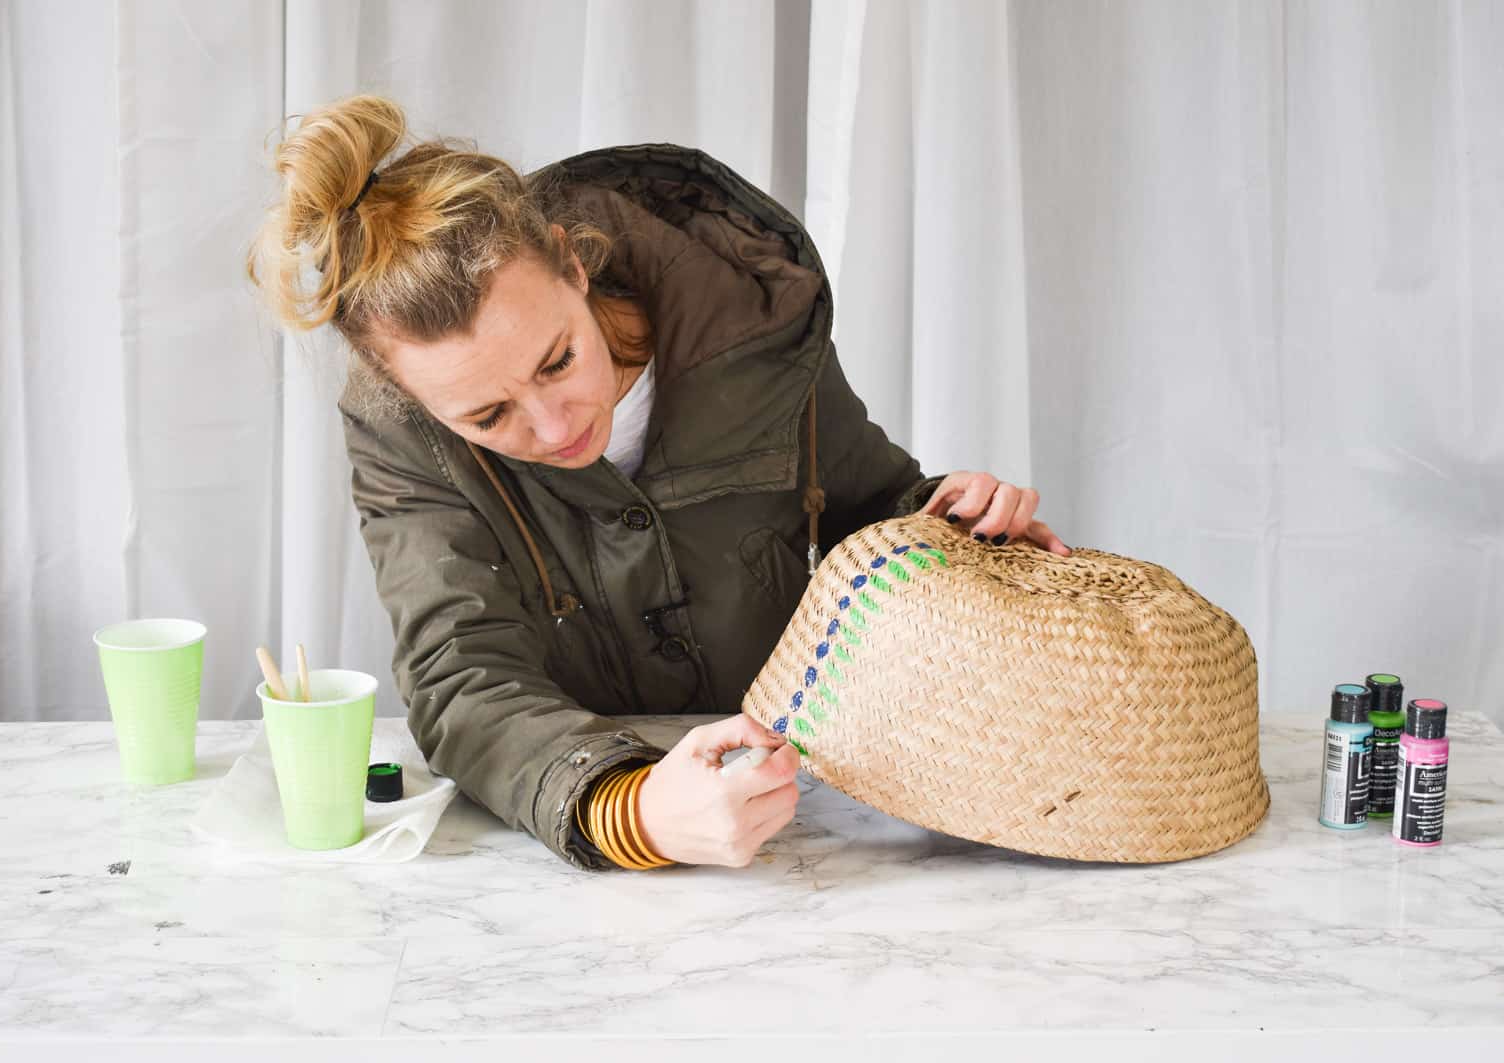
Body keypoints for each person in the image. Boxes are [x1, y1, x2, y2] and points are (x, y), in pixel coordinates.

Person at [246, 94, 1071, 872]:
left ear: (573, 265)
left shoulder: (753, 324)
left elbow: (868, 508)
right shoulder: (399, 428)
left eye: (559, 359)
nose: (557, 425)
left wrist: (958, 526)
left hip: (825, 811)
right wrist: (625, 809)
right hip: (586, 841)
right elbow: (461, 675)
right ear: (418, 404)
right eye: (490, 417)